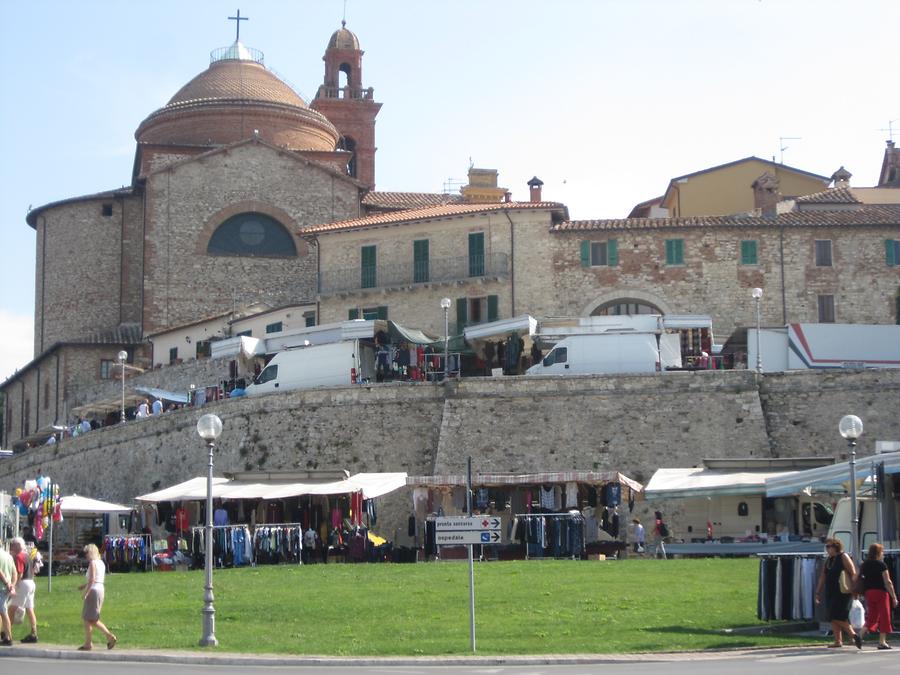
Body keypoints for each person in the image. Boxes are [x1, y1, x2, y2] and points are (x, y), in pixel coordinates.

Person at [815, 537, 861, 649]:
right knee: (833, 616)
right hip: (831, 591)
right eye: (826, 547)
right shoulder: (829, 560)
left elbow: (853, 573)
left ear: (836, 547)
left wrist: (855, 589)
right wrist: (818, 592)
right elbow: (823, 576)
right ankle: (838, 641)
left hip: (843, 591)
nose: (827, 549)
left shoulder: (843, 556)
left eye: (829, 546)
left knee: (837, 616)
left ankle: (853, 635)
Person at [77, 543, 116, 651]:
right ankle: (89, 642)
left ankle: (107, 637)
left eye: (87, 553)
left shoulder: (93, 563)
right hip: (100, 589)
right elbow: (96, 579)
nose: (86, 556)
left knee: (88, 618)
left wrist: (86, 592)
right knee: (91, 619)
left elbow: (92, 579)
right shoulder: (101, 563)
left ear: (91, 553)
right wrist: (84, 586)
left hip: (93, 591)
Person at [859, 542, 898, 650]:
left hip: (868, 593)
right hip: (881, 593)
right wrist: (894, 596)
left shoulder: (864, 565)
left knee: (872, 616)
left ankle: (860, 635)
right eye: (882, 552)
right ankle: (882, 642)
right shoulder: (881, 565)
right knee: (885, 616)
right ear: (879, 553)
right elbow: (888, 582)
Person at [7, 537, 39, 643]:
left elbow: (19, 573)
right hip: (31, 582)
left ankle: (8, 634)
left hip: (23, 583)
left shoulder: (18, 557)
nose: (12, 547)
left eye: (13, 545)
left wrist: (14, 586)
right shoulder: (27, 556)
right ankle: (34, 633)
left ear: (18, 545)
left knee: (11, 608)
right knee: (30, 609)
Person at [0, 544, 18, 646]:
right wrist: (12, 585)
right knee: (2, 611)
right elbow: (14, 572)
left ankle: (8, 637)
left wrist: (7, 584)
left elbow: (0, 572)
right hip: (7, 588)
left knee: (3, 612)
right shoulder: (8, 556)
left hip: (2, 587)